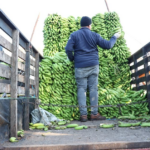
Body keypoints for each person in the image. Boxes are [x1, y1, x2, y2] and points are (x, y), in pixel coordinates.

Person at [65, 16, 120, 122]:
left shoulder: (74, 35)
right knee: (93, 88)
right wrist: (115, 37)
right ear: (89, 25)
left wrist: (72, 59)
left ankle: (83, 115)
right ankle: (94, 114)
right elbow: (108, 45)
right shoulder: (94, 35)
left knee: (81, 89)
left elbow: (68, 49)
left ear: (81, 25)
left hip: (80, 66)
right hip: (93, 65)